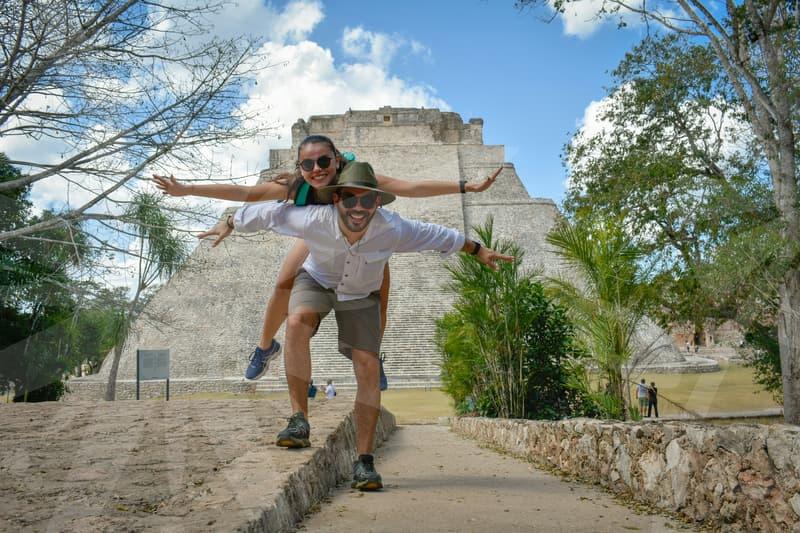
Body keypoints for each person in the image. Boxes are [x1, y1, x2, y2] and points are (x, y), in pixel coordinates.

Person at [204, 161, 513, 490]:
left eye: (368, 200)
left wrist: (478, 250)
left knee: (367, 366)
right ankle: (299, 420)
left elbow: (438, 234)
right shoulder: (313, 218)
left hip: (360, 293)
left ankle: (364, 461)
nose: (359, 207)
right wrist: (229, 221)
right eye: (350, 199)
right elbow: (268, 214)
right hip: (318, 280)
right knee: (296, 323)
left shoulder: (392, 229)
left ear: (378, 203)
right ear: (336, 200)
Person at [153, 135, 501, 384]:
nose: (317, 169)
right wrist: (190, 190)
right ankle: (264, 347)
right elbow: (247, 195)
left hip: (363, 238)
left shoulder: (359, 179)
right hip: (317, 233)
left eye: (323, 162)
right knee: (283, 283)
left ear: (337, 159)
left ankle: (372, 357)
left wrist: (463, 187)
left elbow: (409, 187)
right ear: (300, 166)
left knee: (378, 294)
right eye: (308, 164)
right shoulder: (297, 187)